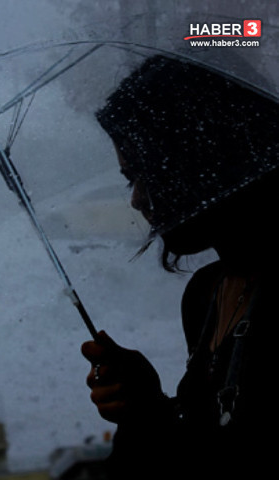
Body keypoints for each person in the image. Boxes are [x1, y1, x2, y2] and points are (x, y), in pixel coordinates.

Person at [81, 54, 279, 478]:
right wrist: (145, 407)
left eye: (147, 172)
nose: (136, 199)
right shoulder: (207, 293)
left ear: (205, 158)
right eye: (127, 179)